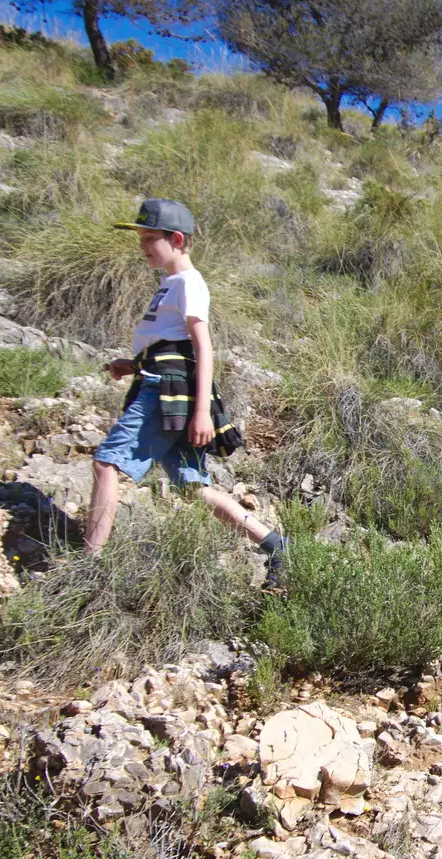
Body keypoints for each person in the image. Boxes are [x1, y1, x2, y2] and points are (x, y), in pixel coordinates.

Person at [86, 198, 285, 588]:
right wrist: (132, 365)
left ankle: (89, 565)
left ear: (176, 239)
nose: (142, 245)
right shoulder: (170, 284)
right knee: (193, 486)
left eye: (149, 238)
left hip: (167, 395)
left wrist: (201, 414)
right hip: (160, 384)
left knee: (106, 464)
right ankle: (276, 544)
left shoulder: (189, 283)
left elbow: (202, 347)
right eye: (140, 238)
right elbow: (169, 343)